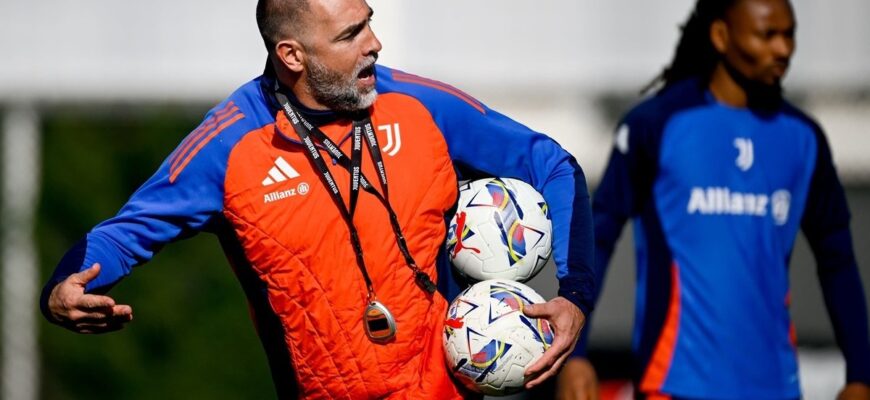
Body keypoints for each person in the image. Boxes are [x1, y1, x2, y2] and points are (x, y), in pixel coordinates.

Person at [40, 0, 595, 398]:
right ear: (293, 55)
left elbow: (554, 165)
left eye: (369, 22)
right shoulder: (229, 146)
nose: (374, 43)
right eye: (351, 34)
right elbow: (125, 233)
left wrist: (573, 294)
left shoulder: (417, 105)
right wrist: (62, 287)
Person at [557, 0, 870, 399]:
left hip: (775, 386)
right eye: (767, 35)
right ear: (721, 36)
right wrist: (576, 353)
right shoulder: (656, 124)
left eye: (789, 34)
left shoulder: (803, 137)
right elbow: (597, 237)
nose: (783, 49)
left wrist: (860, 375)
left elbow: (837, 259)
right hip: (673, 383)